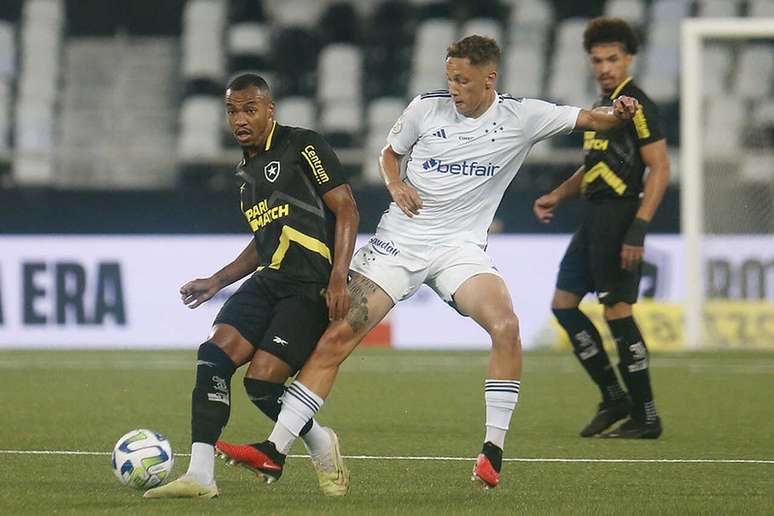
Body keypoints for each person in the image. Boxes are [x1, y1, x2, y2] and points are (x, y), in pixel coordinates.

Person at [216, 35, 639, 490]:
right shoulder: (425, 108)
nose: (454, 88)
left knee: (506, 326)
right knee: (336, 337)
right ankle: (274, 452)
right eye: (450, 78)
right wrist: (396, 185)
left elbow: (593, 119)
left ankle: (492, 452)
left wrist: (620, 114)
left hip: (460, 250)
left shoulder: (523, 116)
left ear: (489, 78)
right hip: (397, 245)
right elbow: (388, 154)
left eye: (463, 80)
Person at [144, 73, 359, 499]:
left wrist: (338, 277)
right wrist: (218, 280)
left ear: (269, 109)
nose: (239, 118)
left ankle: (319, 440)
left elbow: (347, 207)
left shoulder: (303, 145)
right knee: (212, 356)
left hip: (308, 286)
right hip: (268, 282)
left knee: (261, 385)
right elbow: (264, 242)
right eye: (231, 111)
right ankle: (200, 476)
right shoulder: (245, 172)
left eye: (249, 108)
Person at [533, 17, 670, 439]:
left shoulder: (635, 103)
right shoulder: (605, 103)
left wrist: (639, 229)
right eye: (597, 59)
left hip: (619, 217)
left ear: (629, 59)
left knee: (617, 311)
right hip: (594, 216)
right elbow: (595, 166)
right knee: (563, 305)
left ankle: (646, 415)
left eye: (613, 58)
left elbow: (660, 168)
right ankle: (614, 397)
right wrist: (558, 193)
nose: (605, 66)